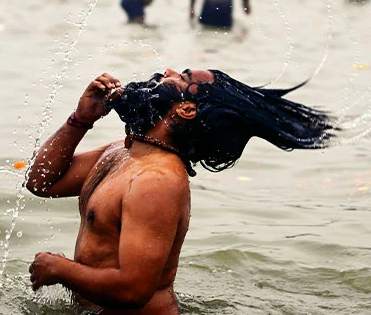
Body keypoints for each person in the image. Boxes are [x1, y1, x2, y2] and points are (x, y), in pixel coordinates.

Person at [26, 69, 335, 313]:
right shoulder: (121, 152)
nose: (166, 72)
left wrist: (61, 270)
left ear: (185, 109)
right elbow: (41, 182)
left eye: (181, 77)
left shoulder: (157, 180)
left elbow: (134, 290)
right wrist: (80, 120)